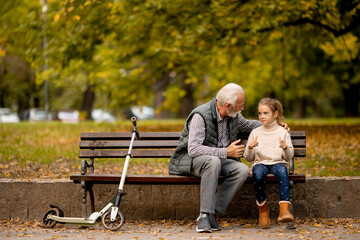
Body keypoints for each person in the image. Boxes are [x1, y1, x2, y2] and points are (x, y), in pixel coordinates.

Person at [169, 83, 263, 233]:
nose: (242, 109)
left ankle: (212, 212)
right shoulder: (200, 116)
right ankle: (204, 215)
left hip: (217, 160)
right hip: (192, 160)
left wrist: (274, 124)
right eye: (240, 105)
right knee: (212, 161)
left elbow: (249, 125)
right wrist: (226, 152)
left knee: (242, 169)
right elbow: (193, 149)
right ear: (228, 105)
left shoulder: (234, 116)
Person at [243, 97, 294, 229]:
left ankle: (284, 210)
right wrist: (250, 148)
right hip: (261, 163)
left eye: (266, 113)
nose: (262, 116)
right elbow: (248, 158)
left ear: (275, 114)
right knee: (257, 174)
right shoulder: (255, 132)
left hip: (278, 163)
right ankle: (263, 208)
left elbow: (289, 157)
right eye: (260, 113)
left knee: (283, 172)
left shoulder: (283, 132)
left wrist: (285, 148)